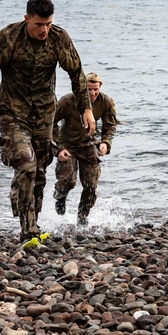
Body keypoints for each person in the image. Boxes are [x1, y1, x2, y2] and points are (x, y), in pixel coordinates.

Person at [0, 0, 94, 243]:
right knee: (27, 165)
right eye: (39, 24)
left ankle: (33, 219)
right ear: (26, 18)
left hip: (44, 113)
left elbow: (77, 73)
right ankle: (28, 231)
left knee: (39, 172)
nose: (44, 30)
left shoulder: (59, 38)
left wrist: (86, 108)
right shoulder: (8, 37)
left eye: (48, 24)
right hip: (12, 112)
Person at [53, 72, 117, 227]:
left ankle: (82, 217)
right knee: (69, 180)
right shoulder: (68, 101)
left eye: (96, 89)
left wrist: (105, 143)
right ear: (83, 89)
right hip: (67, 144)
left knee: (91, 185)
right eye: (89, 89)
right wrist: (58, 148)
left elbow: (110, 125)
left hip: (88, 144)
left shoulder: (106, 102)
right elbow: (50, 123)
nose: (93, 93)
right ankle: (60, 196)